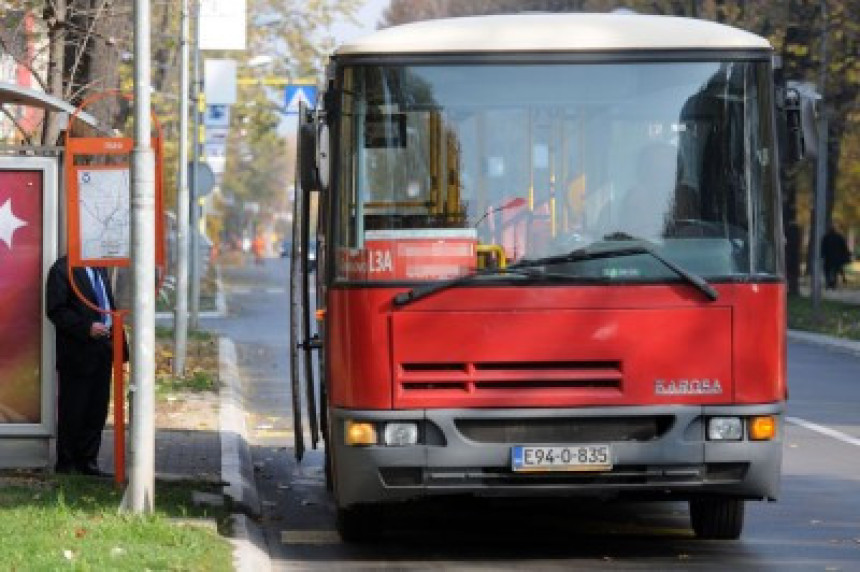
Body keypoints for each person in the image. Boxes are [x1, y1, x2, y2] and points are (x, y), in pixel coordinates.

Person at [46, 256, 125, 476]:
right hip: (78, 352)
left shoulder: (100, 268)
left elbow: (106, 303)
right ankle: (67, 464)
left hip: (104, 348)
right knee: (73, 409)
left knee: (96, 409)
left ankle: (88, 461)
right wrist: (86, 327)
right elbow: (56, 310)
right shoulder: (63, 269)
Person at [821, 225, 852, 289]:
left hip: (828, 257)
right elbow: (844, 247)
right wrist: (847, 254)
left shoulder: (826, 237)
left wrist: (822, 255)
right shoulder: (839, 237)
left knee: (827, 270)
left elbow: (823, 247)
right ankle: (833, 284)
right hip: (837, 258)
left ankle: (828, 282)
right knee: (835, 271)